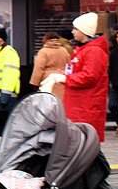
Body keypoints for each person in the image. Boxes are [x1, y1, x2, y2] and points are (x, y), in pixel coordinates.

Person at [44, 12, 110, 142]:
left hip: (86, 107)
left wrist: (65, 78)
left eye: (76, 29)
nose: (72, 32)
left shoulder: (94, 51)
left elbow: (90, 76)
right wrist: (64, 74)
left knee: (86, 146)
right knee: (83, 147)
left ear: (84, 31)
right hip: (80, 106)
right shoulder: (85, 49)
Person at [30, 30, 73, 100]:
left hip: (47, 81)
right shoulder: (64, 50)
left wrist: (35, 83)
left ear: (45, 40)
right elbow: (69, 65)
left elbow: (38, 69)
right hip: (61, 78)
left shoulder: (43, 52)